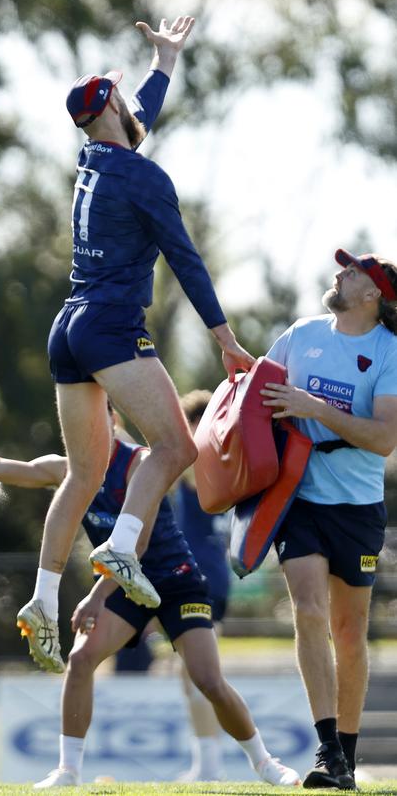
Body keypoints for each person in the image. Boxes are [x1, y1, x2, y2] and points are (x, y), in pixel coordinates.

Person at [18, 13, 254, 672]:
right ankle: (123, 544)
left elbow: (132, 117)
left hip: (67, 329)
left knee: (83, 474)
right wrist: (225, 337)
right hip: (111, 327)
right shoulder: (146, 179)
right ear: (112, 110)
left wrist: (166, 62)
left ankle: (40, 598)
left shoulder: (91, 156)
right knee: (175, 447)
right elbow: (187, 260)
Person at [0, 412, 300, 788]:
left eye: (96, 419)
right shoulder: (72, 470)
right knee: (80, 659)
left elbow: (136, 544)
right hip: (123, 588)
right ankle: (68, 771)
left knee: (208, 680)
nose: (87, 429)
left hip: (174, 583)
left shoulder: (142, 463)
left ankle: (265, 763)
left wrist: (94, 596)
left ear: (113, 420)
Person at [260, 248, 397, 790]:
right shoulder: (300, 333)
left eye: (353, 271)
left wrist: (314, 407)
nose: (339, 273)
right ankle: (328, 753)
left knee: (349, 630)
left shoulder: (389, 352)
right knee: (310, 610)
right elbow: (255, 390)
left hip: (358, 508)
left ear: (373, 296)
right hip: (298, 499)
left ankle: (348, 756)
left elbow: (385, 438)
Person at [172, 389, 231, 782]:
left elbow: (173, 459)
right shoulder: (224, 459)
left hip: (202, 577)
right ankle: (206, 762)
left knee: (201, 674)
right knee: (191, 673)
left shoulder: (198, 460)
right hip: (210, 577)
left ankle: (210, 765)